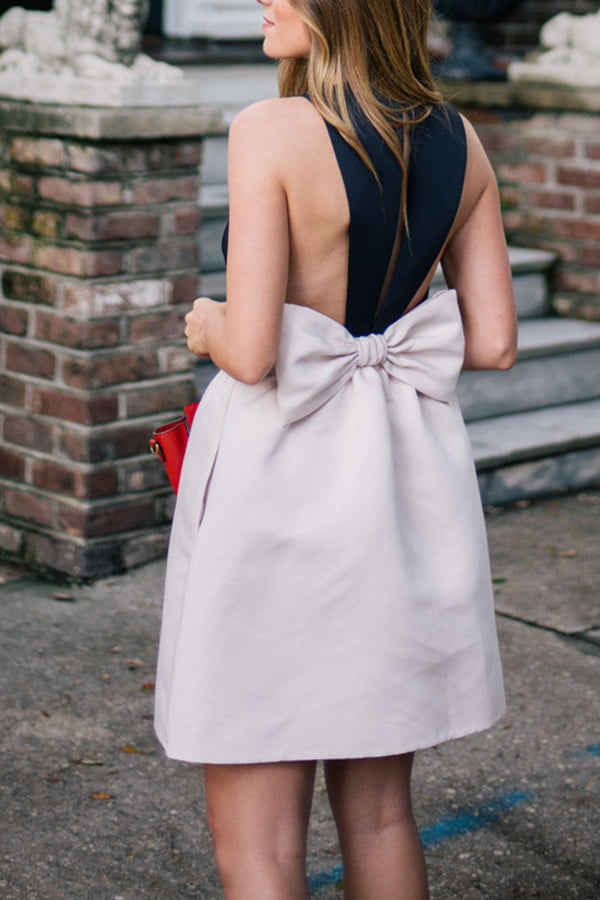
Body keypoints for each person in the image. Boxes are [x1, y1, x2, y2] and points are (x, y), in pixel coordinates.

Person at [154, 0, 517, 897]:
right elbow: (497, 340)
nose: (265, 1)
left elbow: (250, 350)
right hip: (400, 482)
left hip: (277, 484)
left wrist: (208, 324)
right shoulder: (460, 141)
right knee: (385, 815)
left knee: (261, 847)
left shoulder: (271, 128)